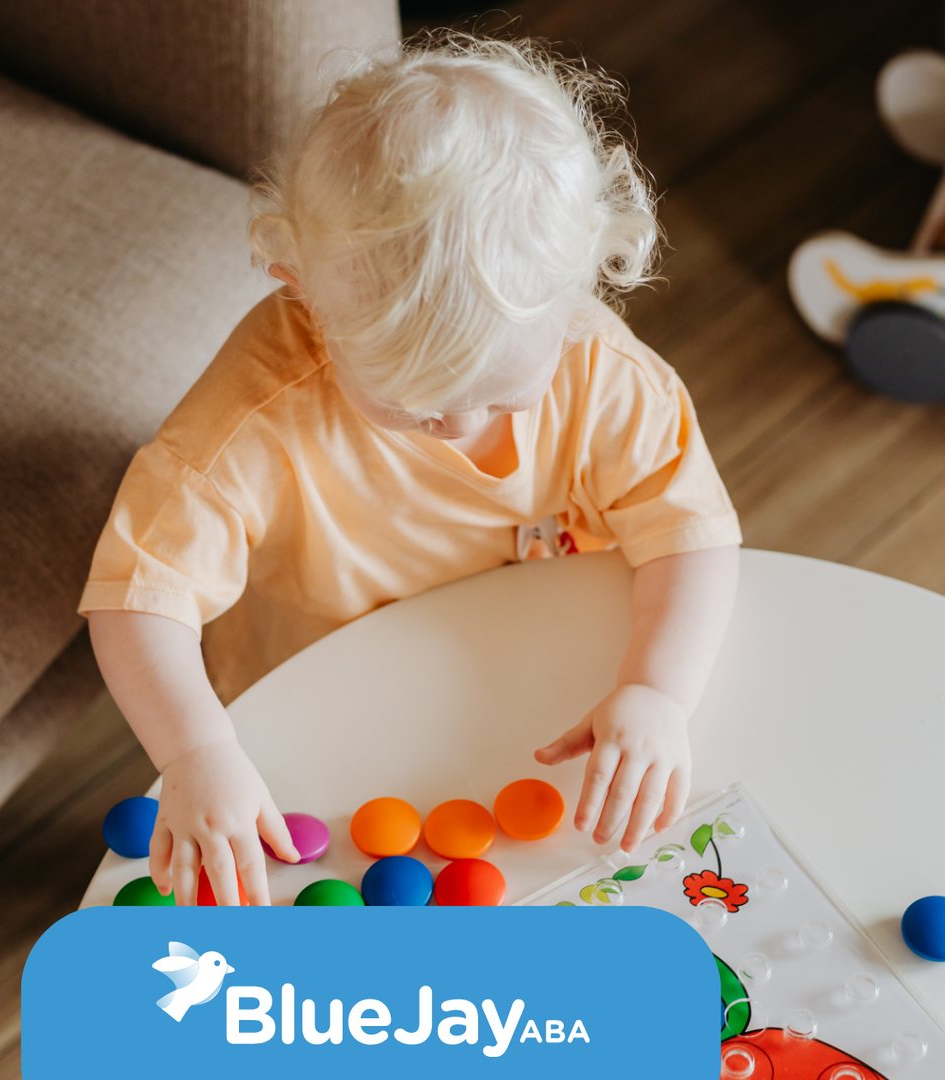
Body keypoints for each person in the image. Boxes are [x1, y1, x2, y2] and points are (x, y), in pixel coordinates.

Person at [81, 37, 743, 907]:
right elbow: (136, 599)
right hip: (317, 687)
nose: (462, 427)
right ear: (304, 293)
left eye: (503, 397)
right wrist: (198, 756)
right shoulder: (258, 413)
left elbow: (691, 536)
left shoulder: (599, 369)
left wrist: (657, 690)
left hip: (527, 676)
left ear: (582, 293)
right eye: (415, 409)